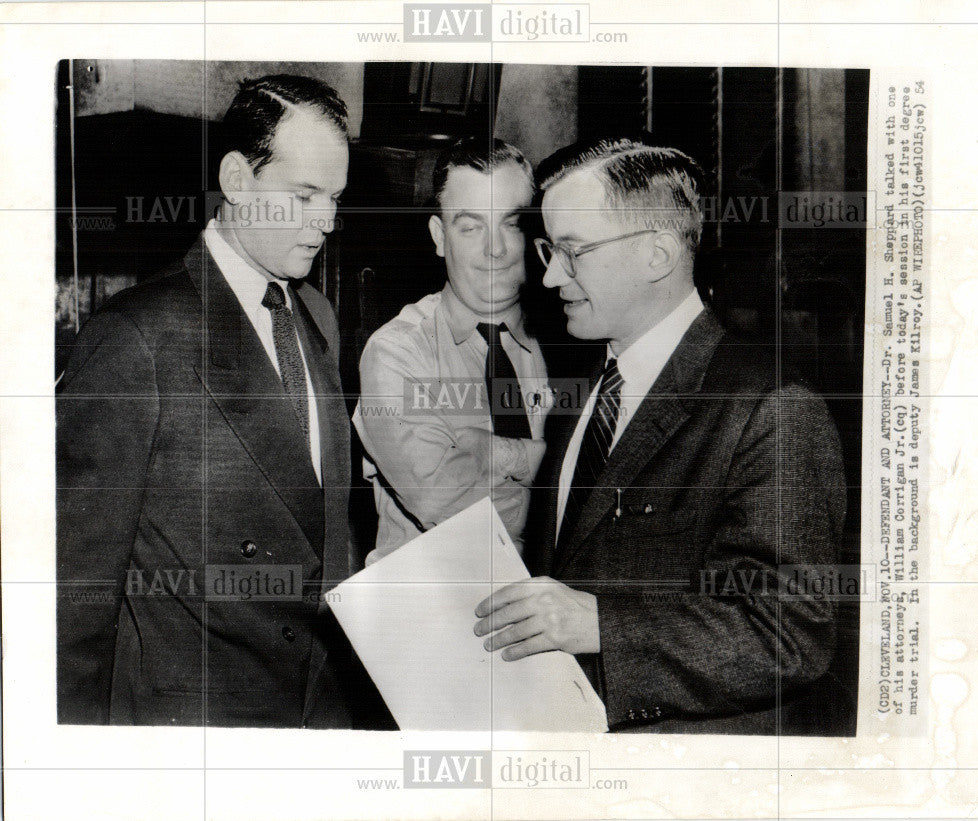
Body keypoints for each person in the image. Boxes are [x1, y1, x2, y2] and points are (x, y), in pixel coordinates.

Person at [474, 139, 847, 734]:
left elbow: (788, 631)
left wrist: (600, 624)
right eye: (548, 250)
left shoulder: (772, 409)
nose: (547, 277)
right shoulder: (587, 398)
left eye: (572, 252)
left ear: (657, 254)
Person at [57, 75, 362, 727]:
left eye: (334, 198)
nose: (327, 221)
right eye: (305, 195)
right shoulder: (137, 337)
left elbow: (325, 535)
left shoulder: (315, 317)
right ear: (237, 178)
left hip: (316, 716)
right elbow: (72, 603)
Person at [353, 137, 549, 563]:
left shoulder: (571, 341)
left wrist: (500, 454)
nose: (494, 249)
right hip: (434, 616)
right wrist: (553, 468)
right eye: (471, 226)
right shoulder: (396, 352)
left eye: (511, 223)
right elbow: (455, 508)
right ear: (440, 236)